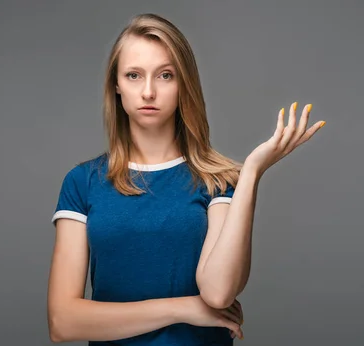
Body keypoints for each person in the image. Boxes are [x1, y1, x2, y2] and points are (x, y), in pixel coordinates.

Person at [47, 13, 325, 345]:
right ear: (117, 86)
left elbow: (218, 292)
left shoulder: (219, 181)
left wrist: (250, 173)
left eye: (165, 75)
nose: (148, 91)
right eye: (134, 75)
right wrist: (182, 309)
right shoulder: (82, 183)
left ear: (184, 84)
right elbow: (63, 323)